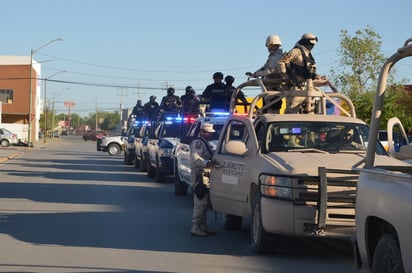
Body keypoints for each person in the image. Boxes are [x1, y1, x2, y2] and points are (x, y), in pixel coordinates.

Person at [278, 33, 322, 113]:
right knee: (291, 113)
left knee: (310, 113)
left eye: (313, 45)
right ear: (304, 42)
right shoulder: (296, 52)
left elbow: (309, 71)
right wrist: (286, 76)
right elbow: (282, 62)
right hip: (298, 87)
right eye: (310, 44)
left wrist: (316, 76)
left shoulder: (308, 55)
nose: (312, 46)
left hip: (309, 87)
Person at [190, 122, 217, 236]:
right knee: (200, 201)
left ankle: (203, 225)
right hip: (199, 174)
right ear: (202, 132)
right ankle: (195, 226)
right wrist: (207, 162)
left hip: (206, 174)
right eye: (208, 132)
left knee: (206, 202)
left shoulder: (207, 143)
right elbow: (196, 159)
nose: (210, 134)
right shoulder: (197, 143)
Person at [246, 35, 284, 113]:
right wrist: (254, 74)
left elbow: (269, 70)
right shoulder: (273, 57)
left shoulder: (276, 57)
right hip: (270, 87)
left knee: (272, 109)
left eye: (269, 46)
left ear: (273, 45)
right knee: (268, 108)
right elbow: (264, 68)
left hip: (273, 87)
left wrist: (257, 74)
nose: (268, 48)